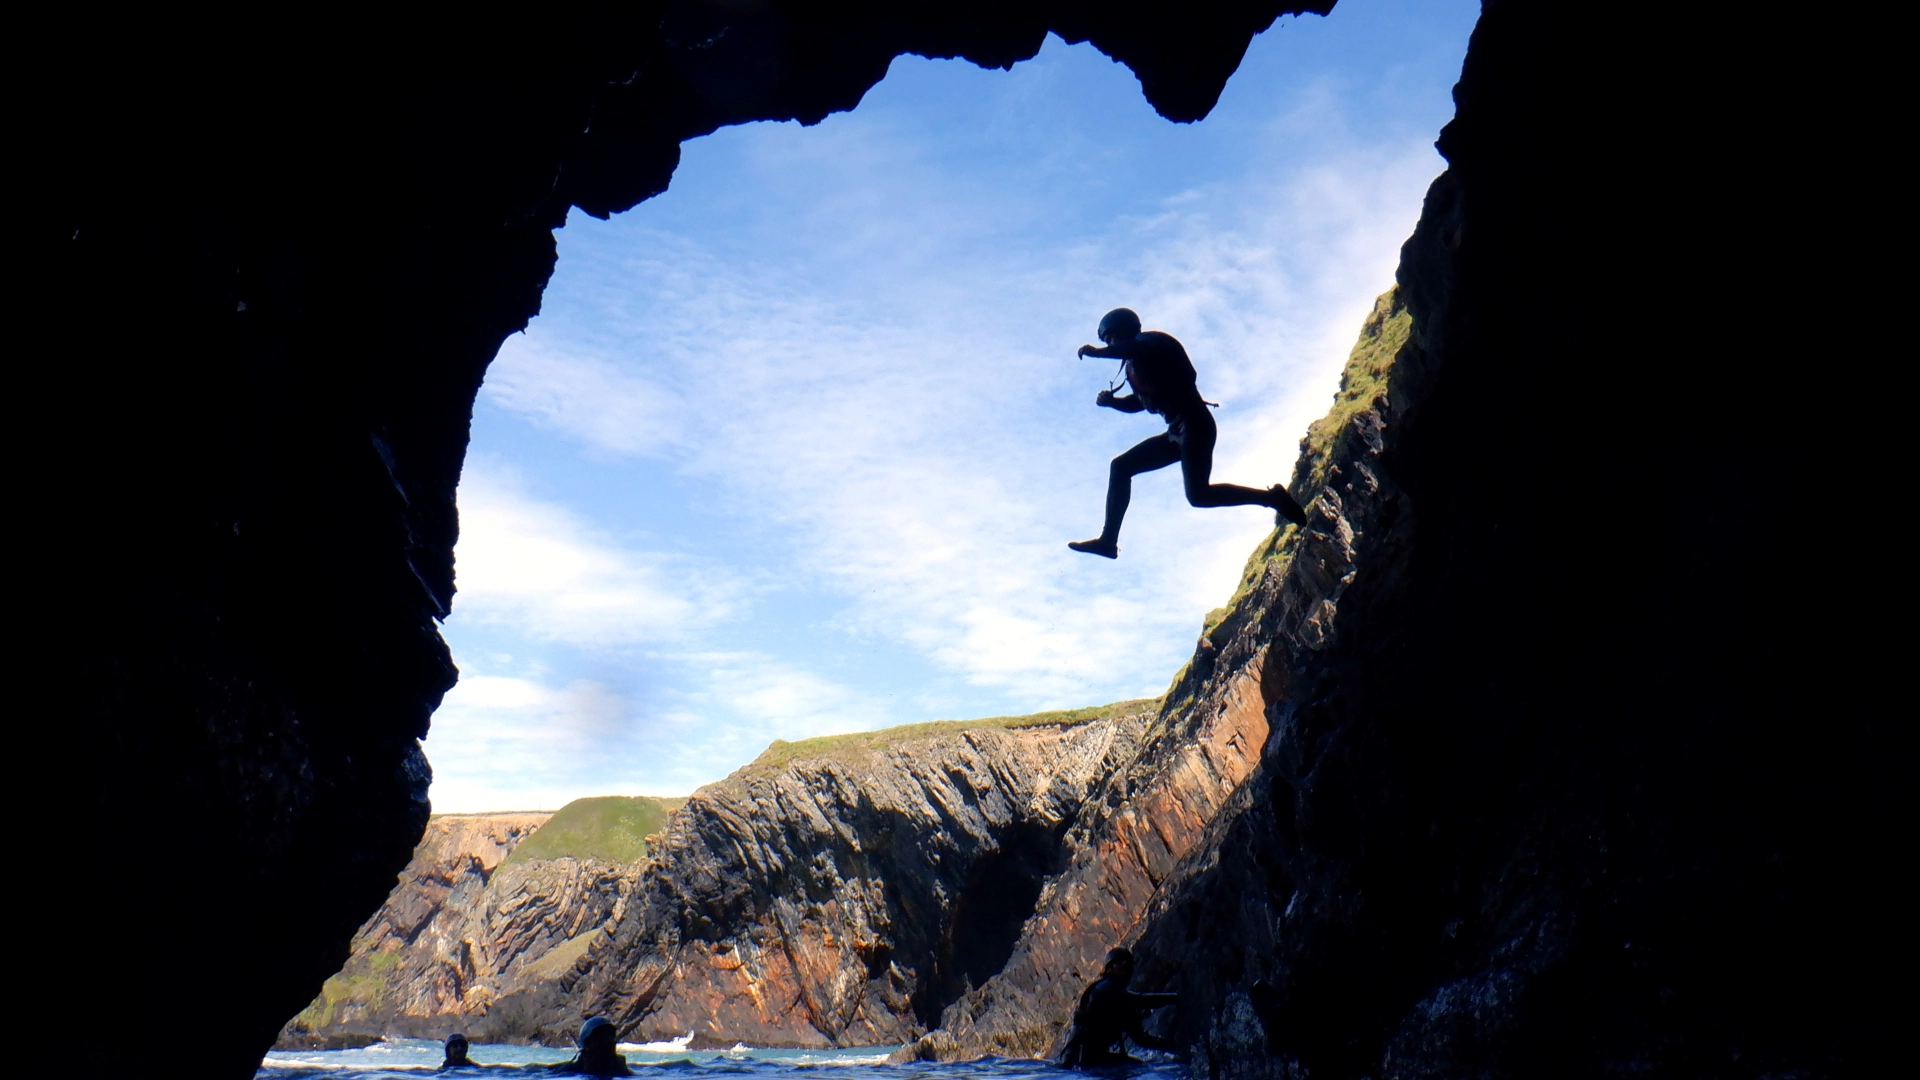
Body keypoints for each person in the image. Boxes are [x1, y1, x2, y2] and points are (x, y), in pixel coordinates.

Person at [1070, 308, 1308, 559]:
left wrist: (1096, 353)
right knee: (1121, 466)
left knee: (1198, 495)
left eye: (1109, 338)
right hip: (1175, 432)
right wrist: (1113, 402)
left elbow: (1137, 349)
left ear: (1121, 331)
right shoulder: (1132, 364)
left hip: (1196, 424)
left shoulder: (1151, 342)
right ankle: (1108, 541)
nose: (1109, 344)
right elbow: (1141, 403)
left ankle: (1272, 498)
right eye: (1106, 342)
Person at [1058, 947, 1179, 1067]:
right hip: (1080, 1060)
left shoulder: (1121, 1002)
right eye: (1119, 961)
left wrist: (1173, 1046)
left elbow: (1141, 1039)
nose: (1125, 963)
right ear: (1109, 968)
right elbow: (1140, 1000)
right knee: (1135, 1067)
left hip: (1088, 1060)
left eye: (1127, 961)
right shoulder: (1104, 988)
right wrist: (1175, 997)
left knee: (1136, 1066)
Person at [548, 1016, 633, 1076]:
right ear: (588, 1043)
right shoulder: (574, 1068)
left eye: (610, 1035)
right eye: (602, 1036)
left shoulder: (620, 1067)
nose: (609, 1040)